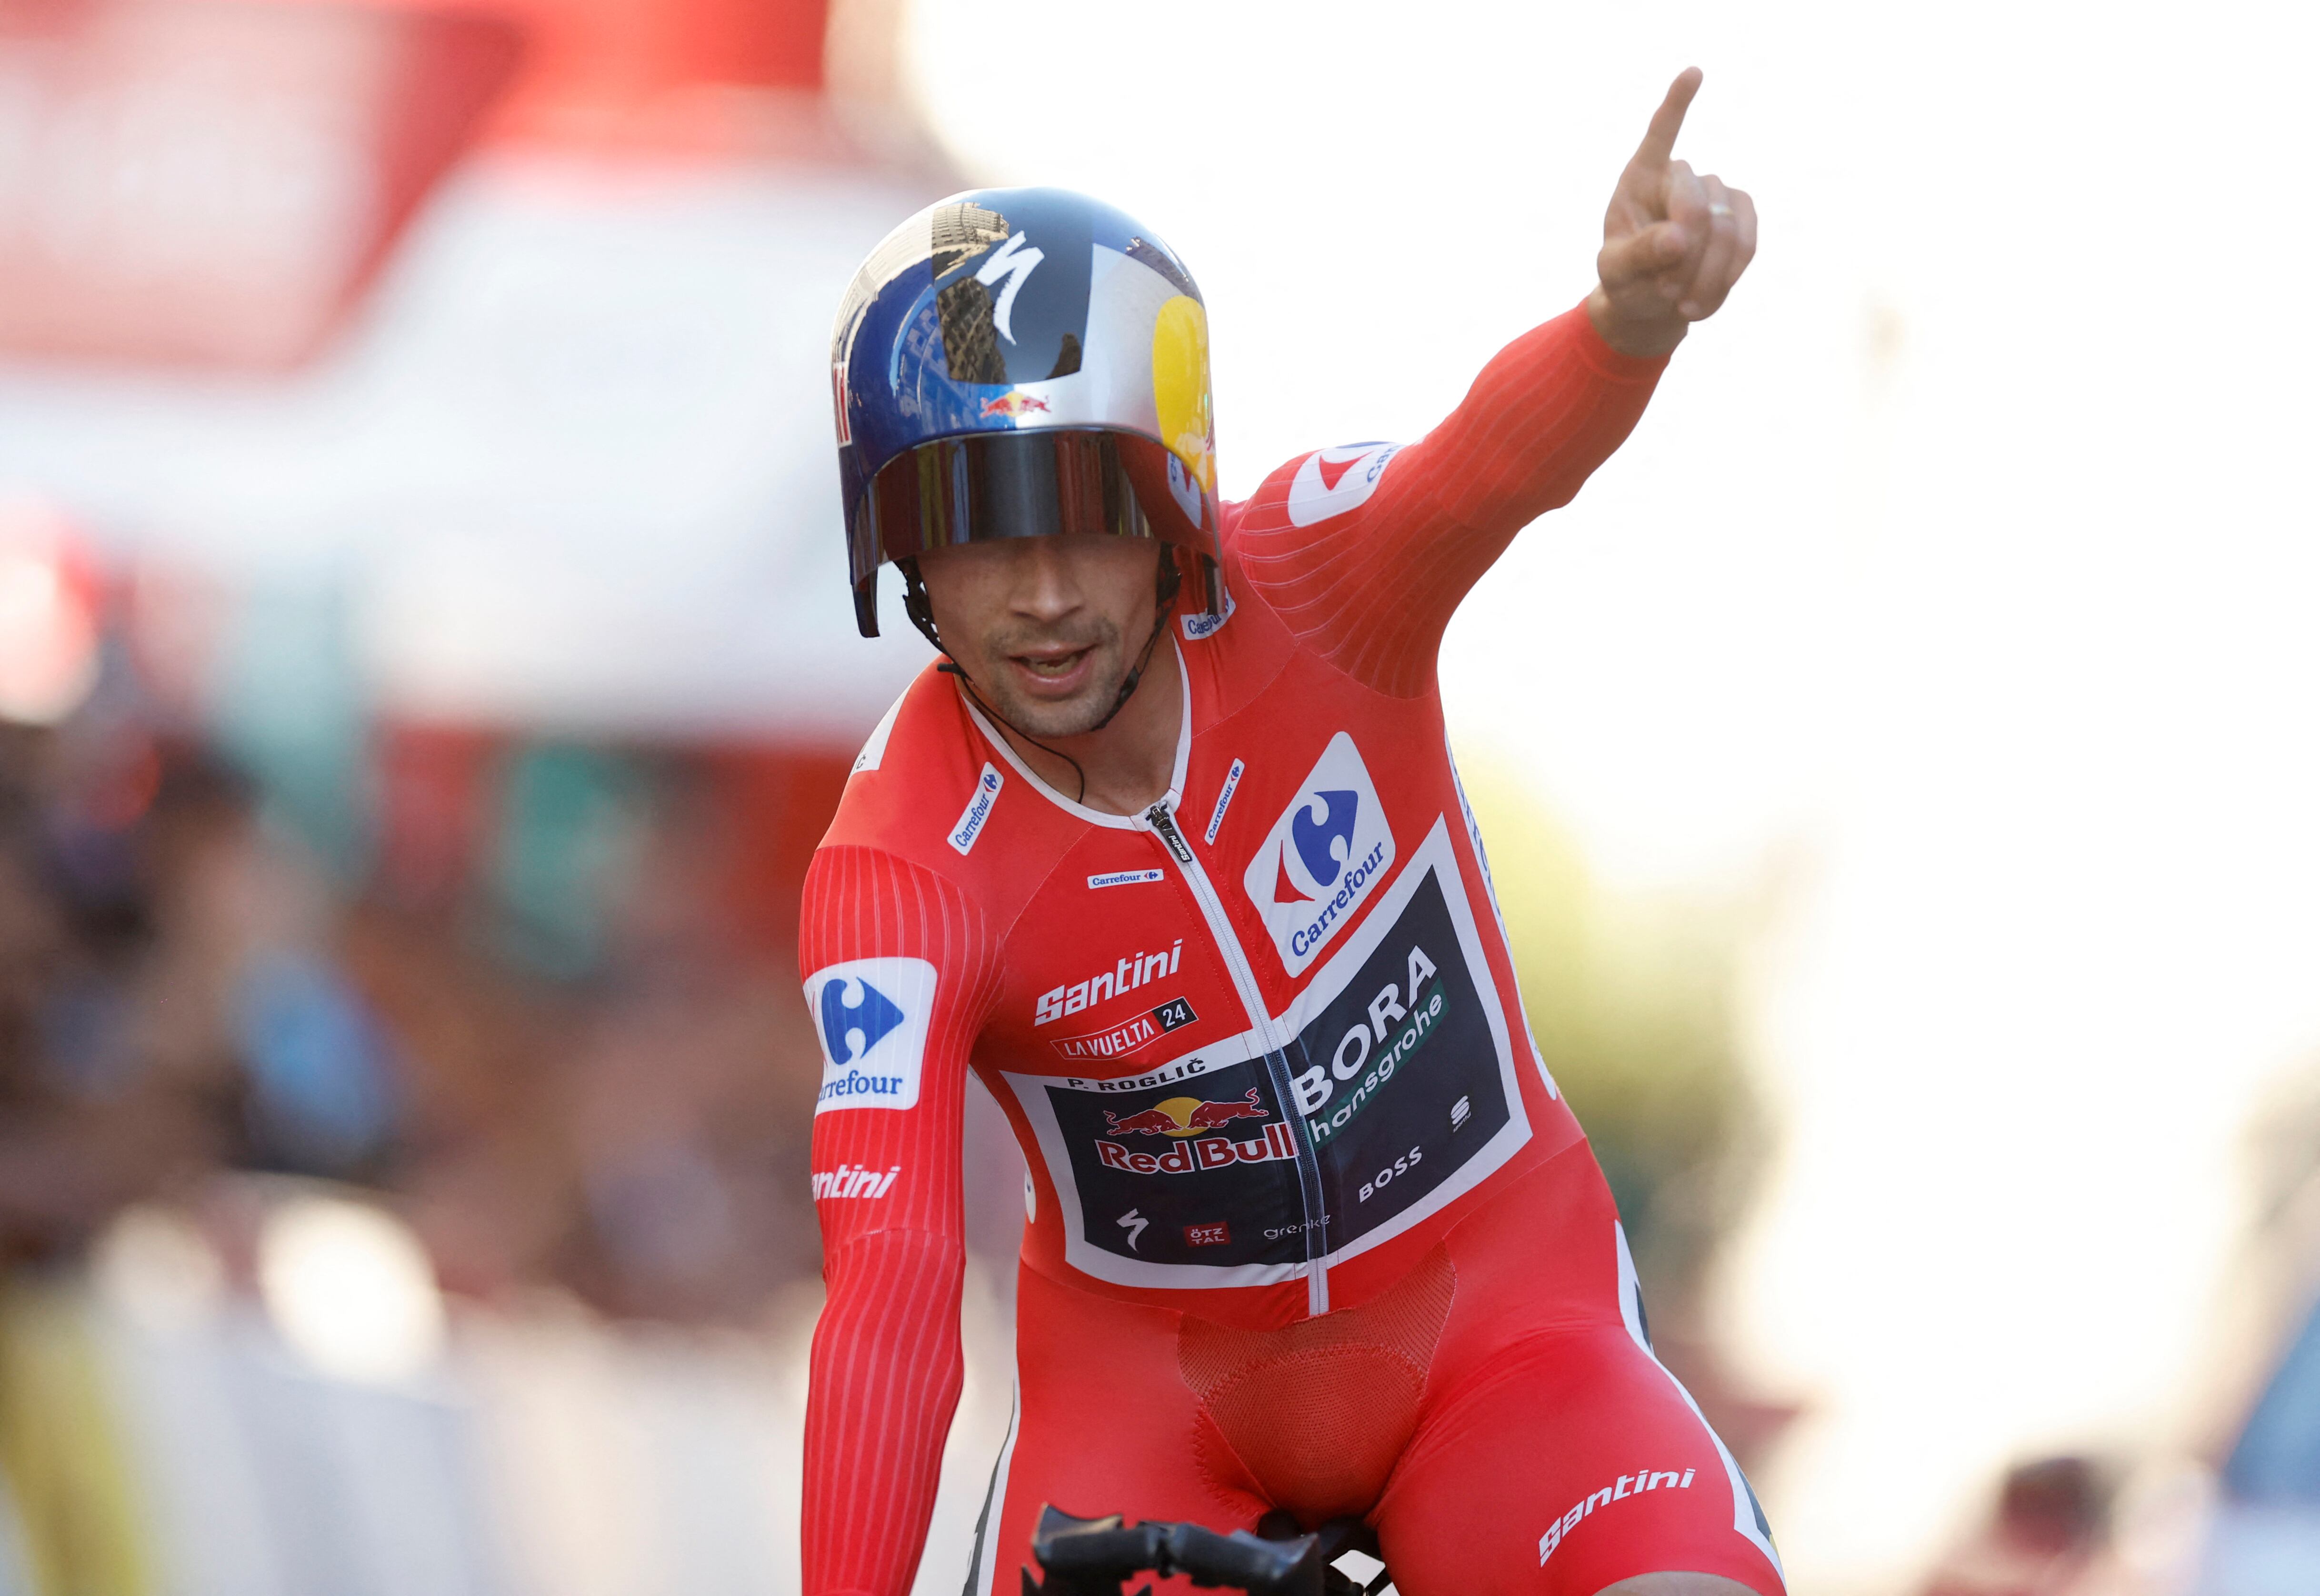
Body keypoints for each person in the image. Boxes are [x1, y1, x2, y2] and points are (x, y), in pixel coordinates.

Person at [803, 68, 1770, 1596]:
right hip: (1152, 1418)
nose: (1045, 592)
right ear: (901, 555)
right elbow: (894, 1292)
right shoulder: (899, 863)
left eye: (1087, 506)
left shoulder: (1317, 582)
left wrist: (1629, 320)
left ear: (1176, 499)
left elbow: (1488, 465)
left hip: (1503, 1339)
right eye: (979, 529)